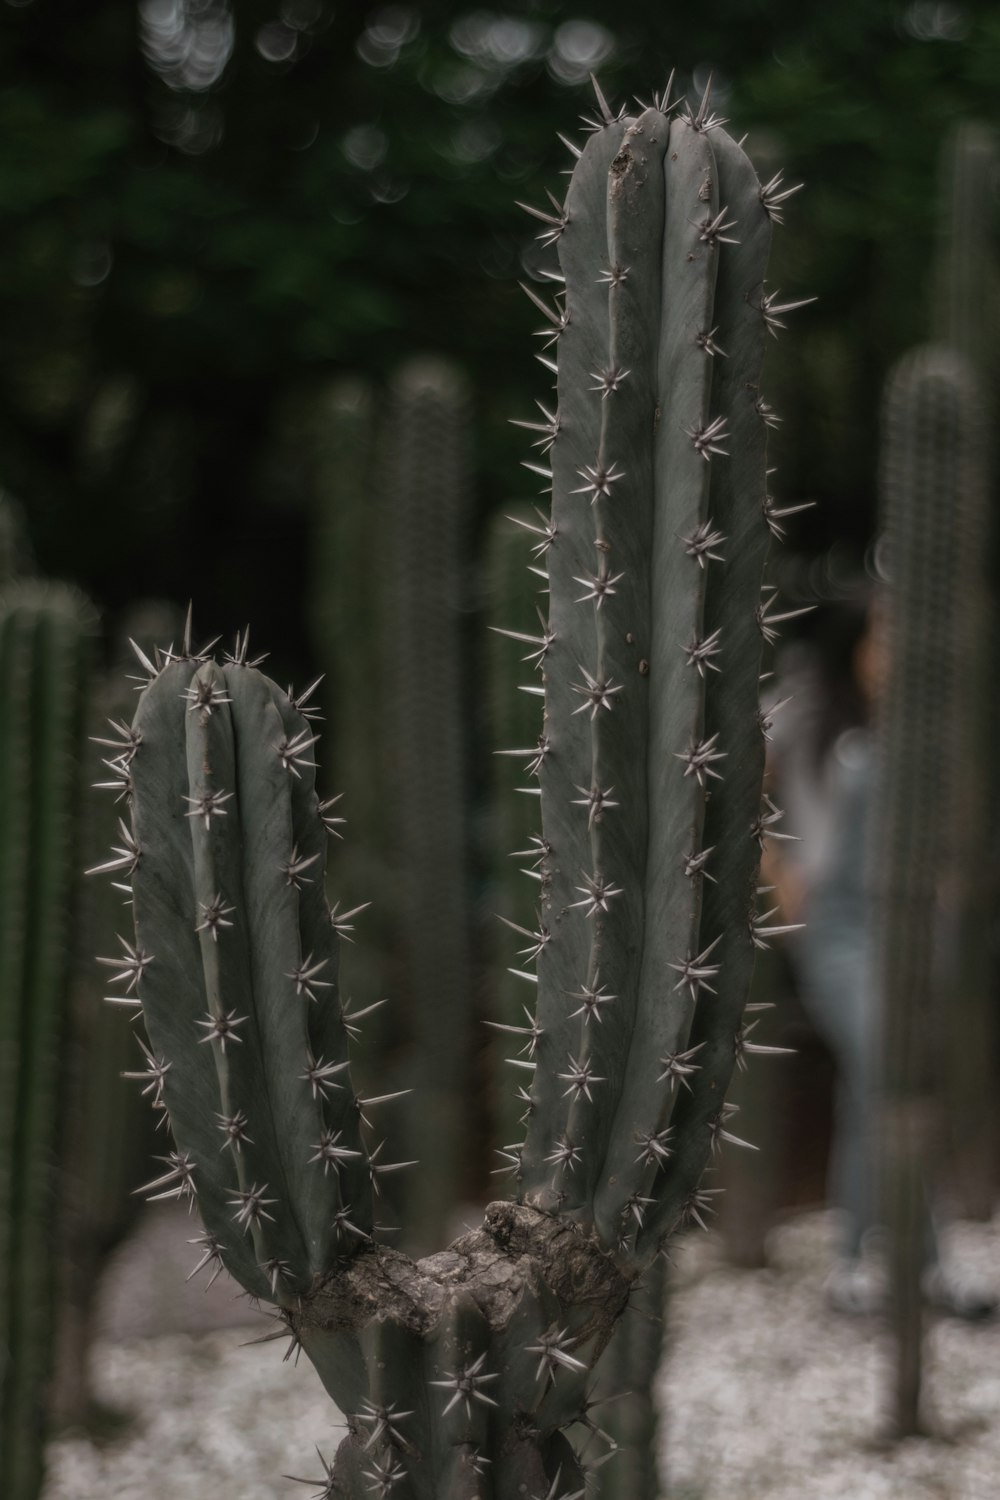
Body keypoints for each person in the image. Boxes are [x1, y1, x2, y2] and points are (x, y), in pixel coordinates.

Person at [765, 592, 994, 1318]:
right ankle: (892, 1261)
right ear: (856, 644)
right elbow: (724, 778)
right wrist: (774, 874)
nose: (894, 656)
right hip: (835, 928)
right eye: (884, 639)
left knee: (887, 1083)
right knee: (884, 1066)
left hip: (915, 929)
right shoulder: (803, 711)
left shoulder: (921, 726)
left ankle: (879, 1262)